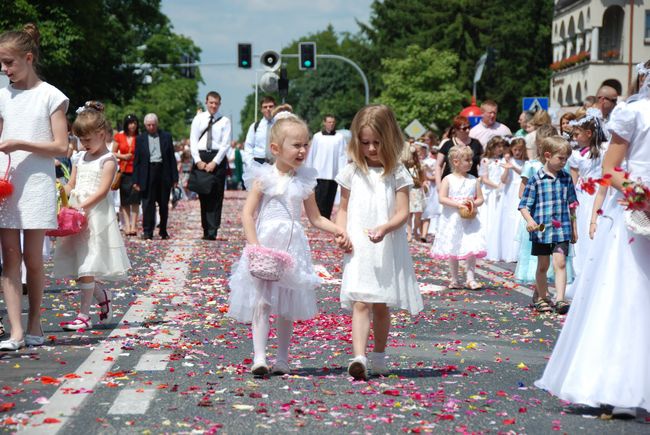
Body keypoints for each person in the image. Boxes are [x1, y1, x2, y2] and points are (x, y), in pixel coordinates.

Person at [535, 62, 650, 418]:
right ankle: (612, 384)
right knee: (627, 296)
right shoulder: (635, 113)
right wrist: (641, 193)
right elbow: (611, 169)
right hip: (635, 211)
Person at [227, 114, 349, 376]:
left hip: (292, 249)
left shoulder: (305, 180)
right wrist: (255, 247)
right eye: (296, 145)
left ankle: (282, 358)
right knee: (261, 301)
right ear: (275, 149)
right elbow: (248, 214)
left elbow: (315, 218)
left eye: (305, 144)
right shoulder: (264, 178)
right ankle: (260, 357)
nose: (302, 150)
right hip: (266, 246)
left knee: (286, 304)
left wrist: (338, 229)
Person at [335, 104, 424, 380]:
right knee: (360, 301)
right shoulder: (351, 172)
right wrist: (341, 232)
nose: (371, 149)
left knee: (381, 304)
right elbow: (344, 208)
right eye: (365, 143)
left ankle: (379, 354)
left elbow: (402, 212)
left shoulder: (397, 172)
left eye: (377, 142)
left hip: (384, 244)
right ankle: (359, 356)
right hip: (359, 244)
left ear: (389, 140)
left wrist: (385, 228)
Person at [0, 24, 69, 350]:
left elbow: (61, 147)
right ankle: (15, 331)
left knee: (33, 258)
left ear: (28, 58)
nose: (4, 69)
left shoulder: (50, 96)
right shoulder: (2, 95)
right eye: (1, 63)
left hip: (38, 183)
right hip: (7, 182)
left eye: (9, 62)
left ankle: (35, 322)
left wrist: (19, 143)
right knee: (9, 257)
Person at [52, 102, 130, 330]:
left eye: (87, 139)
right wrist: (60, 195)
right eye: (80, 140)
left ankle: (83, 314)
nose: (84, 144)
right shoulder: (79, 157)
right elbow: (72, 184)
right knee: (79, 267)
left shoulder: (108, 160)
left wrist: (81, 206)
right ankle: (102, 295)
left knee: (87, 266)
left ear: (102, 134)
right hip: (76, 214)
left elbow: (102, 191)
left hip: (95, 216)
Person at [519, 136, 578, 315]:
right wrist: (530, 220)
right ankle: (542, 297)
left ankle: (560, 299)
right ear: (547, 155)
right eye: (560, 158)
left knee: (560, 262)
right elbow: (524, 205)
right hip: (542, 232)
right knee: (543, 265)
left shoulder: (566, 179)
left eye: (566, 159)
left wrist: (574, 229)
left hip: (562, 230)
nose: (564, 162)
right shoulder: (536, 179)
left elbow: (572, 205)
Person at [430, 145, 486, 290]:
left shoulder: (474, 180)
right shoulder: (448, 179)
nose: (471, 162)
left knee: (471, 247)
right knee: (453, 247)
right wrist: (458, 204)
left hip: (470, 219)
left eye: (471, 159)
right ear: (456, 162)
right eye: (467, 160)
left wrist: (473, 203)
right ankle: (454, 278)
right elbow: (442, 198)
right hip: (453, 219)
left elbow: (480, 198)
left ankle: (470, 278)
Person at [566, 108, 607, 280]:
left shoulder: (605, 150)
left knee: (598, 231)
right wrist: (570, 202)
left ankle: (598, 272)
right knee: (582, 232)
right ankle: (581, 273)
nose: (574, 138)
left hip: (602, 195)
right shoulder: (576, 155)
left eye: (577, 135)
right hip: (583, 196)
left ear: (589, 133)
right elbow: (573, 181)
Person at [189, 91, 231, 240]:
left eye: (216, 103)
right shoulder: (199, 119)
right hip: (201, 156)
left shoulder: (224, 121)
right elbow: (193, 140)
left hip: (216, 158)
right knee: (203, 195)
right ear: (206, 102)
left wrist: (215, 162)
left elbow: (226, 144)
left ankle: (213, 229)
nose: (213, 105)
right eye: (211, 102)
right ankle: (205, 228)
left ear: (219, 104)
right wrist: (198, 160)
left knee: (216, 195)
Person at [132, 113, 177, 240]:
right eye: (148, 125)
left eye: (153, 125)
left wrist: (174, 178)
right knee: (147, 204)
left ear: (157, 124)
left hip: (163, 171)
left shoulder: (166, 137)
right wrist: (136, 180)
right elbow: (137, 161)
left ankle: (163, 230)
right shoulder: (140, 139)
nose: (151, 127)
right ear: (145, 125)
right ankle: (148, 231)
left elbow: (171, 158)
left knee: (163, 204)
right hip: (147, 172)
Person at [305, 114, 348, 219]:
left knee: (330, 197)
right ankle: (318, 217)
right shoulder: (317, 137)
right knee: (320, 197)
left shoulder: (339, 137)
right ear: (324, 123)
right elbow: (312, 154)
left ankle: (326, 217)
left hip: (333, 172)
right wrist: (308, 170)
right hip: (319, 172)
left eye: (333, 122)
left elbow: (342, 155)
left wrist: (343, 171)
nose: (331, 124)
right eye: (329, 122)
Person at [498, 137, 527, 262]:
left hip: (520, 191)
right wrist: (507, 168)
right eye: (515, 149)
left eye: (520, 150)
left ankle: (516, 252)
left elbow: (525, 174)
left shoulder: (526, 162)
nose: (517, 152)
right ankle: (507, 251)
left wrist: (513, 167)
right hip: (509, 192)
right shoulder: (507, 161)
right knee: (509, 221)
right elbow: (503, 180)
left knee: (518, 220)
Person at [112, 114, 140, 236]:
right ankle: (127, 225)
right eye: (130, 123)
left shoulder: (139, 137)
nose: (132, 125)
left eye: (134, 123)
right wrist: (123, 156)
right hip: (123, 171)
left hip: (136, 171)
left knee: (135, 199)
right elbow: (112, 152)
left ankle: (134, 226)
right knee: (125, 200)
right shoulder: (119, 136)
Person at [436, 115, 483, 187]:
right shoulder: (447, 144)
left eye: (469, 127)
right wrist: (438, 184)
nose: (467, 130)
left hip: (471, 183)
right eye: (464, 128)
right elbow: (438, 165)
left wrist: (481, 179)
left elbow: (483, 164)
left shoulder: (476, 143)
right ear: (456, 129)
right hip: (450, 184)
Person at [480, 136, 506, 261]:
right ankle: (487, 245)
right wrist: (497, 186)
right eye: (498, 146)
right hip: (491, 192)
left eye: (502, 146)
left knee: (499, 218)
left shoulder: (503, 160)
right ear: (492, 147)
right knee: (489, 218)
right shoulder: (486, 161)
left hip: (501, 191)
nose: (501, 149)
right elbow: (484, 179)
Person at [401, 143, 426, 242]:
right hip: (409, 191)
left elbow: (423, 178)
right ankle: (410, 233)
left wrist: (423, 183)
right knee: (409, 214)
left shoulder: (420, 166)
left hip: (417, 190)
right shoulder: (404, 166)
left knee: (418, 214)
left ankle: (416, 231)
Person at [243, 95, 275, 165]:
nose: (268, 109)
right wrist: (250, 164)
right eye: (265, 107)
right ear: (261, 109)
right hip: (258, 161)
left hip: (276, 161)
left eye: (270, 106)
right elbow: (248, 146)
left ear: (275, 107)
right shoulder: (255, 126)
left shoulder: (280, 125)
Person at [419, 142, 440, 242]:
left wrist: (426, 175)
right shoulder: (416, 161)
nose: (421, 152)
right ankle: (417, 232)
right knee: (418, 211)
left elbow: (435, 177)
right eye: (420, 150)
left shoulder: (432, 161)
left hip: (429, 189)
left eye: (423, 149)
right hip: (418, 188)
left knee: (427, 211)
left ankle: (424, 234)